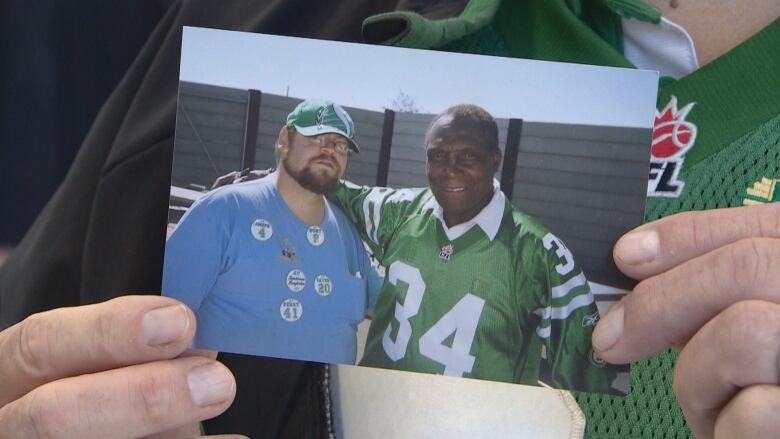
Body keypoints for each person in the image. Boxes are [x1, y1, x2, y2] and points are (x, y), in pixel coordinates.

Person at [0, 1, 777, 438]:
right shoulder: (283, 30)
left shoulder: (535, 248)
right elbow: (37, 343)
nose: (451, 175)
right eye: (442, 159)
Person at [322, 104, 614, 392]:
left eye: (468, 156)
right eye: (437, 156)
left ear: (495, 159)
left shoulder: (539, 254)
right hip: (376, 408)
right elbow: (343, 194)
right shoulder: (401, 212)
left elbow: (587, 380)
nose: (451, 170)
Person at [164, 99, 378, 365]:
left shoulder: (349, 234)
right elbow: (160, 324)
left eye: (341, 145)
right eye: (318, 137)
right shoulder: (223, 211)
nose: (330, 150)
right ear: (284, 139)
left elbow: (390, 307)